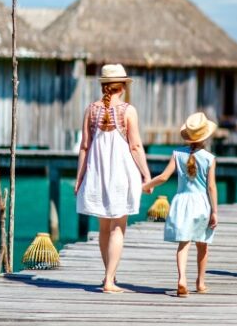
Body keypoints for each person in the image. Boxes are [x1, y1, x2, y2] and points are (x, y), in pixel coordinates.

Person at [75, 63, 151, 293]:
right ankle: (109, 280)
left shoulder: (91, 109)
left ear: (105, 86)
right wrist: (146, 174)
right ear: (123, 86)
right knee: (119, 227)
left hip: (98, 174)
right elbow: (136, 146)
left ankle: (109, 275)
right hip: (121, 174)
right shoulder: (128, 110)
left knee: (104, 228)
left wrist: (79, 178)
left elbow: (84, 147)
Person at [142, 112, 218, 297]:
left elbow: (164, 177)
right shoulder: (209, 158)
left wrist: (147, 185)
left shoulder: (177, 153)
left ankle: (182, 278)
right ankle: (200, 282)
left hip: (182, 202)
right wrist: (214, 211)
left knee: (183, 244)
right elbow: (211, 187)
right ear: (206, 137)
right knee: (202, 244)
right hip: (201, 203)